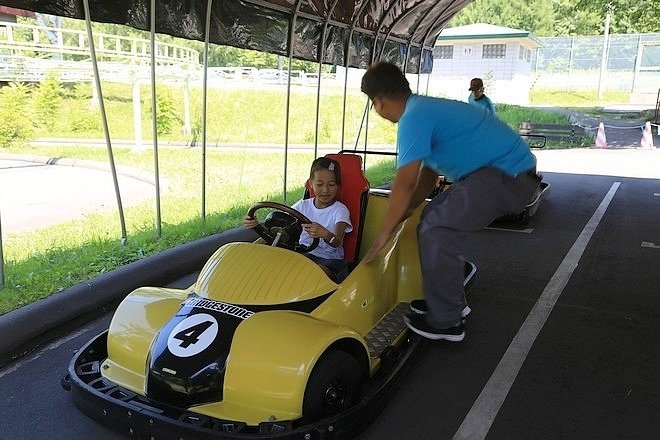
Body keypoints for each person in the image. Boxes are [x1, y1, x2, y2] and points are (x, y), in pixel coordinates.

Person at [360, 62, 538, 342]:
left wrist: (383, 233)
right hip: (500, 174)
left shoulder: (414, 117)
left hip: (507, 175)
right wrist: (406, 213)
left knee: (438, 228)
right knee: (430, 216)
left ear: (379, 102)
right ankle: (449, 301)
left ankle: (447, 322)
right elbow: (427, 178)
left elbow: (404, 182)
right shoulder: (423, 109)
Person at [244, 157, 353, 282]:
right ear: (310, 183)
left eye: (331, 185)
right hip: (302, 254)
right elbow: (282, 226)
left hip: (329, 261)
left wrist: (324, 233)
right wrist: (257, 224)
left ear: (338, 186)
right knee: (269, 264)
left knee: (312, 275)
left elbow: (337, 242)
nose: (325, 190)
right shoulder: (302, 206)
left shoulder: (340, 210)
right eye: (319, 184)